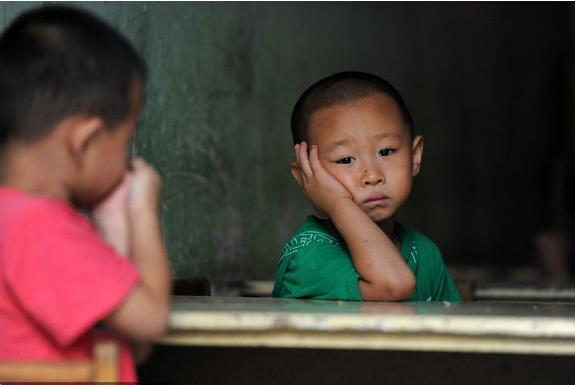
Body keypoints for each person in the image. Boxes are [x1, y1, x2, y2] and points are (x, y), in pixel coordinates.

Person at [0, 6, 171, 381]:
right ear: (86, 141)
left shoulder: (12, 220)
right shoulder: (41, 227)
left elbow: (129, 341)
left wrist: (110, 226)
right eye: (126, 139)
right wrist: (142, 210)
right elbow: (150, 320)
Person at [272, 71, 461, 302]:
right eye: (345, 159)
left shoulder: (423, 252)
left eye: (386, 151)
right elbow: (394, 284)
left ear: (415, 156)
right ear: (305, 175)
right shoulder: (310, 254)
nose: (372, 175)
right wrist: (338, 202)